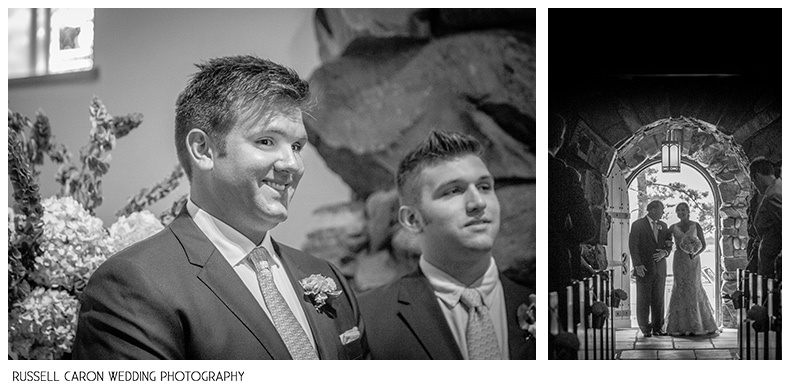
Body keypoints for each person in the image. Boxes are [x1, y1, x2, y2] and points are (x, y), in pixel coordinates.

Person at [73, 55, 367, 359]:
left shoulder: (325, 274)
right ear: (203, 150)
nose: (293, 164)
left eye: (296, 146)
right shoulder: (134, 284)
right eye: (266, 141)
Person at [358, 131, 534, 360]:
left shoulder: (545, 307)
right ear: (412, 219)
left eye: (484, 187)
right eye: (453, 191)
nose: (478, 203)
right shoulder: (368, 318)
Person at [548, 113, 594, 358]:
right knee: (559, 339)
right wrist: (560, 238)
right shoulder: (564, 175)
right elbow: (587, 228)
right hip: (553, 267)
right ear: (560, 139)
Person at [664, 202, 718, 336]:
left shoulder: (696, 225)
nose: (680, 212)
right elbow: (667, 243)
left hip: (693, 261)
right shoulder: (673, 227)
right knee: (680, 288)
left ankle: (697, 324)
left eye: (683, 210)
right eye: (678, 210)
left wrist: (695, 253)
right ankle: (678, 326)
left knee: (694, 287)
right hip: (679, 260)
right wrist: (668, 244)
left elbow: (704, 245)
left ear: (688, 211)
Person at [628, 200, 673, 337]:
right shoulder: (638, 225)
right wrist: (637, 264)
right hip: (644, 267)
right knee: (643, 299)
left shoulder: (664, 226)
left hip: (660, 268)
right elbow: (633, 245)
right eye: (661, 209)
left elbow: (669, 243)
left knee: (658, 299)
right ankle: (645, 328)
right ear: (652, 210)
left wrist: (665, 252)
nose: (663, 212)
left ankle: (658, 328)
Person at [747, 158, 782, 279]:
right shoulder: (776, 189)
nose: (755, 187)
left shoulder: (774, 195)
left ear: (757, 176)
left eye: (753, 181)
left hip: (774, 265)